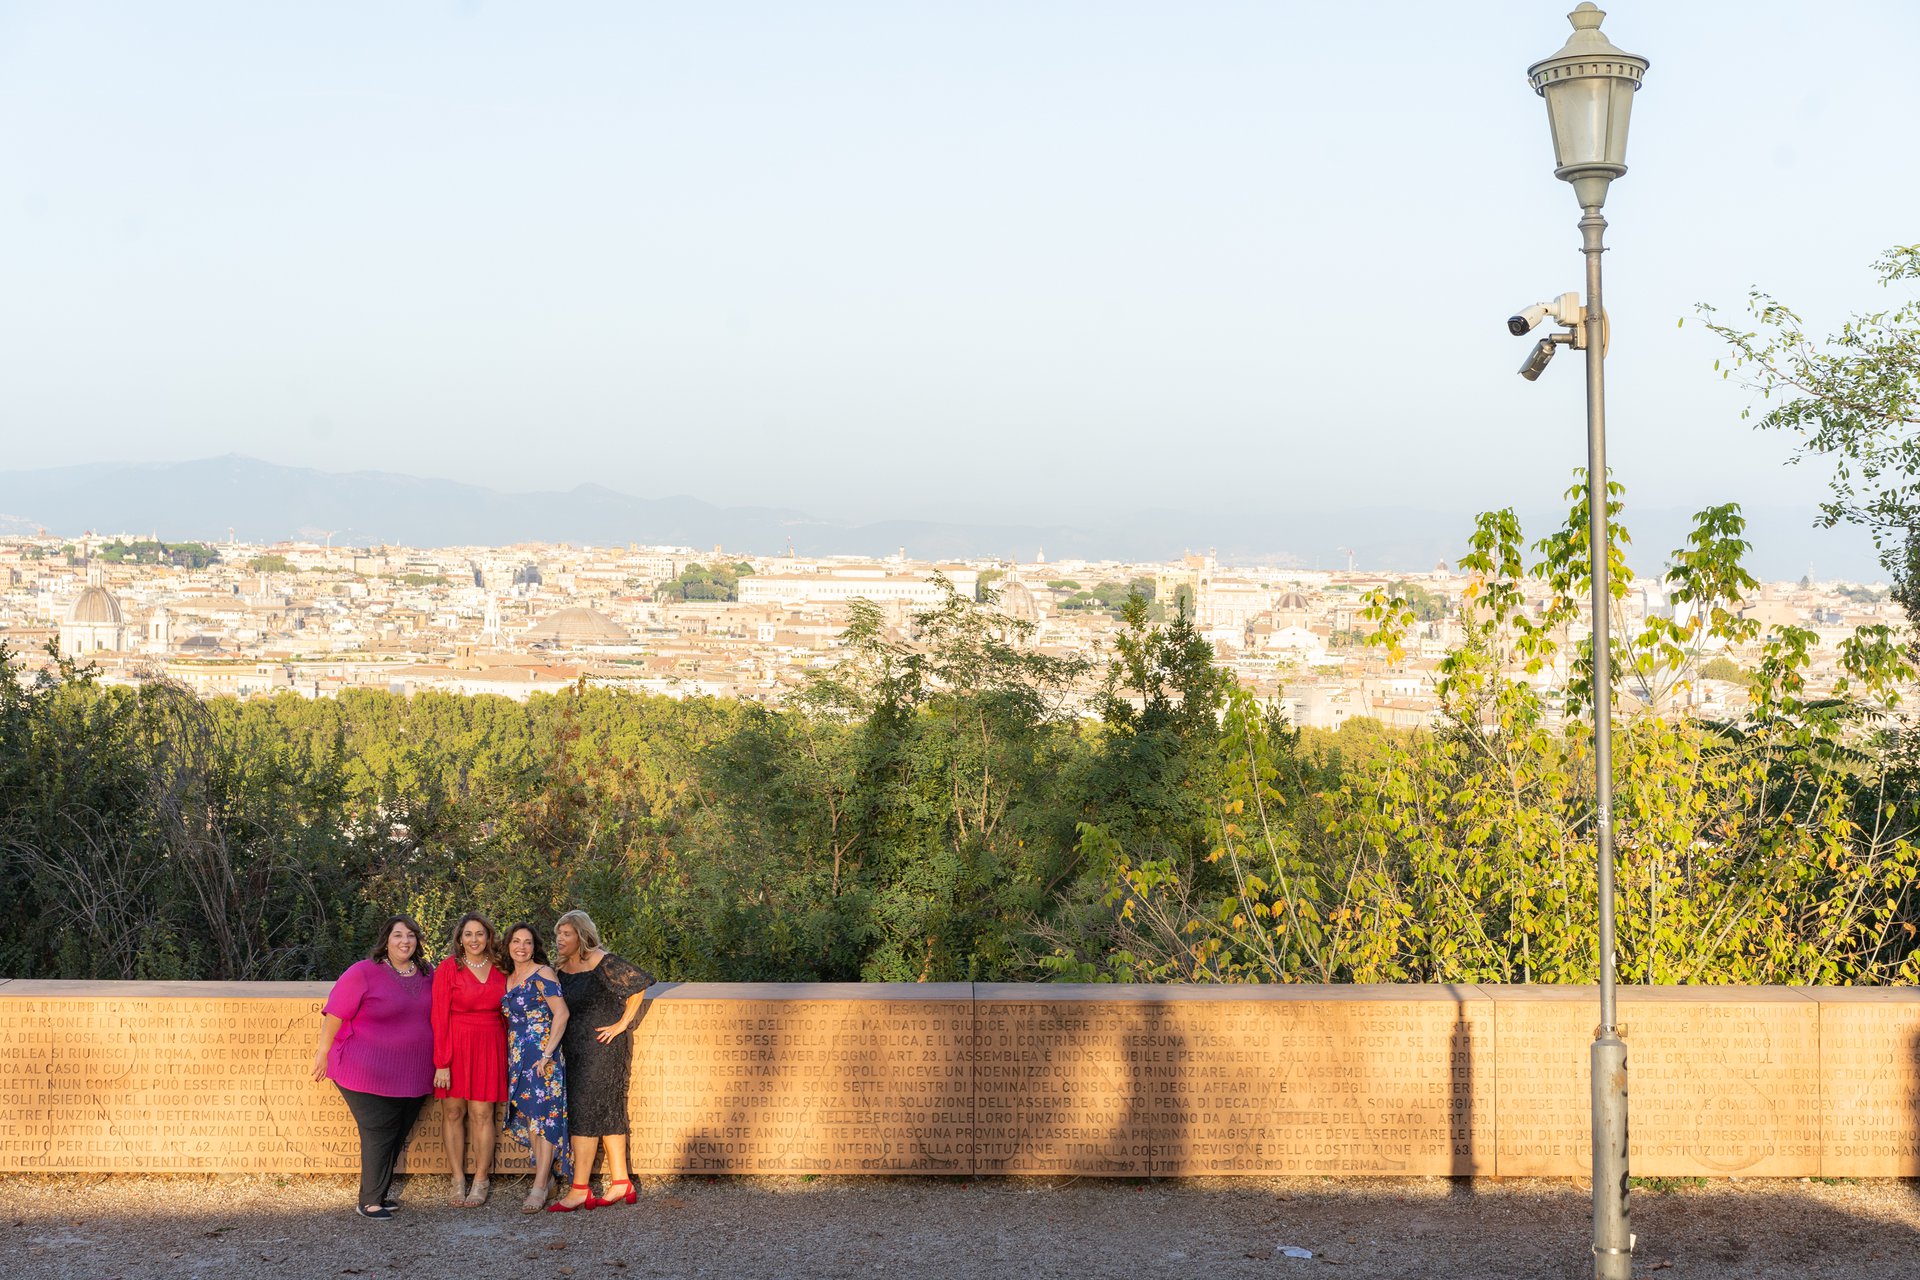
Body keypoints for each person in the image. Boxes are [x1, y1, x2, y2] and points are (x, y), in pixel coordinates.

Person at [311, 915, 435, 1220]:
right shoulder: (363, 973)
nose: (404, 941)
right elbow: (334, 1014)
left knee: (398, 1131)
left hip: (414, 1073)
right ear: (385, 940)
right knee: (379, 1130)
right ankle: (369, 1201)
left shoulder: (427, 973)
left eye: (410, 936)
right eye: (397, 936)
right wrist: (322, 1053)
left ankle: (379, 1193)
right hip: (365, 1071)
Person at [549, 909, 654, 1212]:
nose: (559, 939)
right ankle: (621, 1181)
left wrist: (622, 1023)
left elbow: (640, 984)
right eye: (558, 934)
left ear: (581, 935)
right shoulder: (562, 966)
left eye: (566, 934)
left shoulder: (601, 960)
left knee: (585, 1112)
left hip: (602, 1047)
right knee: (607, 1111)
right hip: (574, 1048)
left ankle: (580, 1188)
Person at [432, 912, 509, 1207]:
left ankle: (480, 1179)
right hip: (455, 1045)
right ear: (459, 939)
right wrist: (442, 1062)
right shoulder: (449, 968)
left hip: (489, 1044)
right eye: (468, 934)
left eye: (480, 934)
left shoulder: (501, 968)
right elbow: (438, 1017)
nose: (474, 940)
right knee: (453, 1113)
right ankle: (457, 1179)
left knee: (482, 1114)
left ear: (488, 937)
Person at [501, 922, 571, 1213]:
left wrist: (547, 1053)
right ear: (508, 945)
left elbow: (562, 1013)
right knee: (531, 1116)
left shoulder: (543, 973)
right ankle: (547, 1179)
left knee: (544, 1119)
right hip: (519, 1056)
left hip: (543, 1056)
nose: (521, 947)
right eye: (516, 941)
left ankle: (540, 1186)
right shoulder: (508, 977)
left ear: (535, 946)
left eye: (527, 942)